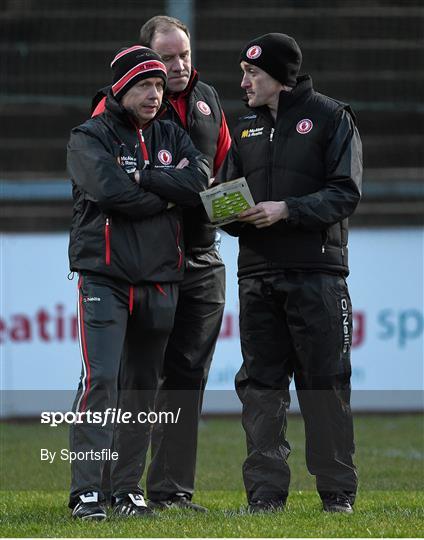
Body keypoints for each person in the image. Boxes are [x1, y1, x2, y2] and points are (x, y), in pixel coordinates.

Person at [215, 33, 362, 514]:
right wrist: (224, 209)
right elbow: (231, 194)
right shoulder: (244, 128)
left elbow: (345, 193)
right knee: (260, 388)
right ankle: (264, 496)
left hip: (317, 273)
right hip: (256, 274)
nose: (244, 83)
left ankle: (337, 494)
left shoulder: (331, 117)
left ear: (279, 78)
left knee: (324, 384)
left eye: (252, 74)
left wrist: (287, 209)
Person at [92, 15, 230, 513]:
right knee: (122, 376)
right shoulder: (115, 108)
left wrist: (229, 208)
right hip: (144, 264)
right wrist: (178, 186)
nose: (177, 66)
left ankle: (171, 490)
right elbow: (119, 184)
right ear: (143, 57)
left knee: (187, 378)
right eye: (166, 57)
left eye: (184, 55)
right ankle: (104, 486)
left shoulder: (208, 100)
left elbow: (217, 175)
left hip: (201, 257)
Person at [67, 45, 209, 520]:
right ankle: (86, 492)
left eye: (157, 84)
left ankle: (127, 490)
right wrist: (167, 193)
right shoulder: (88, 136)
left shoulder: (173, 131)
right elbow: (111, 192)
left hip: (161, 280)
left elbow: (199, 183)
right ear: (122, 87)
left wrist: (147, 177)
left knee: (142, 390)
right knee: (102, 380)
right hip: (104, 277)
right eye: (144, 84)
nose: (155, 92)